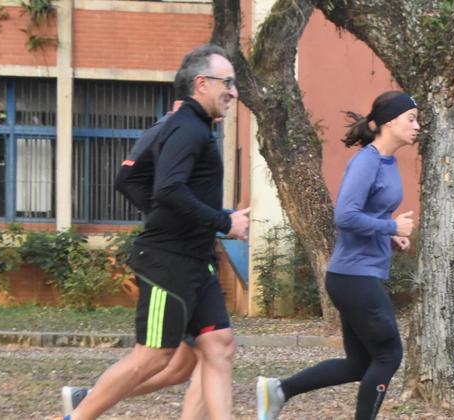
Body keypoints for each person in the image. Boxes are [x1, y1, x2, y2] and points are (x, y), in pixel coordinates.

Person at [63, 44, 249, 420]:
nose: (233, 92)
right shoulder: (186, 128)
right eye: (227, 82)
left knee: (219, 346)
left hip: (196, 260)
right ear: (201, 83)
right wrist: (223, 221)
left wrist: (207, 217)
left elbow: (157, 188)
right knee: (154, 356)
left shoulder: (198, 128)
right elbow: (168, 188)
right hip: (170, 262)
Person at [256, 90, 418, 420]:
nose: (417, 126)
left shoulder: (387, 162)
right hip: (352, 277)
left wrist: (389, 238)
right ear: (389, 122)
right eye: (411, 119)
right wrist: (390, 227)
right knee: (389, 355)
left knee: (360, 363)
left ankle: (279, 390)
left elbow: (367, 218)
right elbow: (344, 216)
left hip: (359, 274)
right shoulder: (367, 161)